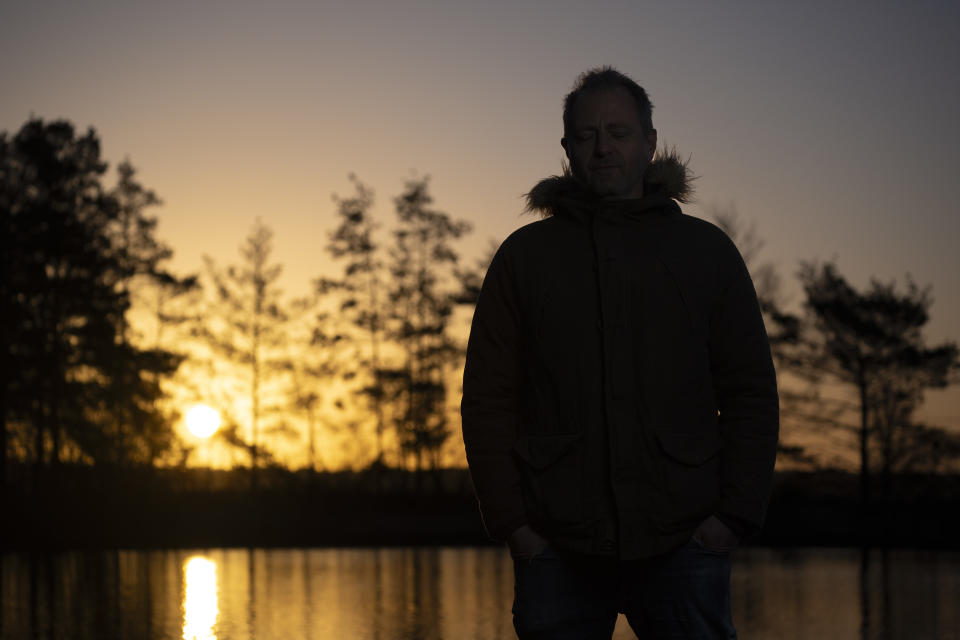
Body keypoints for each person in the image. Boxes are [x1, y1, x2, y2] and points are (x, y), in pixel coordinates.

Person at [460, 66, 779, 639]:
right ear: (567, 149)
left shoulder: (706, 252)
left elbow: (751, 391)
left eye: (618, 132)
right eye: (586, 135)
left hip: (684, 543)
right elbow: (487, 399)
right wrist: (515, 527)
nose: (602, 147)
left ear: (650, 141)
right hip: (556, 549)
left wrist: (730, 518)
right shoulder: (524, 258)